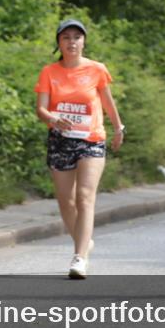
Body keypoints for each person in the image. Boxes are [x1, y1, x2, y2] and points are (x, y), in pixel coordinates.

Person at [35, 19, 124, 279]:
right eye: (66, 37)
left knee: (85, 196)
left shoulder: (96, 70)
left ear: (84, 42)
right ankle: (84, 241)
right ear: (59, 43)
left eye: (77, 37)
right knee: (66, 201)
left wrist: (119, 128)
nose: (72, 42)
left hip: (91, 139)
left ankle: (79, 256)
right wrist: (52, 118)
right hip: (60, 140)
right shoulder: (49, 72)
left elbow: (108, 102)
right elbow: (41, 109)